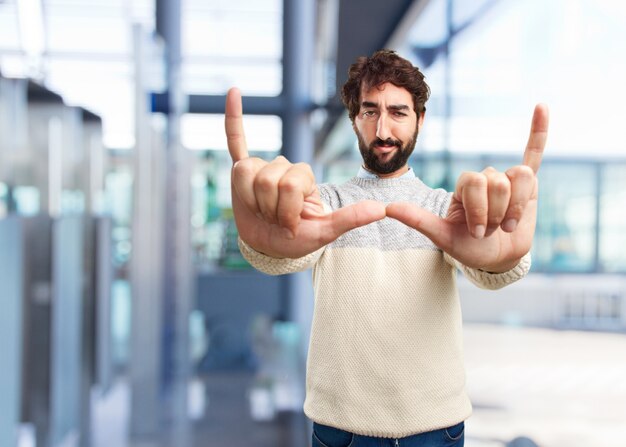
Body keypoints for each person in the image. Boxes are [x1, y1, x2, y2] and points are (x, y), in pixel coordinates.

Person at [225, 49, 548, 447]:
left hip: (437, 431)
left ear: (420, 120)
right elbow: (287, 252)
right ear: (353, 119)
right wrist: (264, 245)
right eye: (370, 111)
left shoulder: (446, 210)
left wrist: (505, 259)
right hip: (340, 431)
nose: (382, 131)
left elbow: (487, 266)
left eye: (398, 112)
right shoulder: (322, 205)